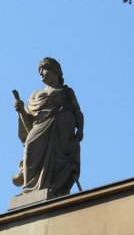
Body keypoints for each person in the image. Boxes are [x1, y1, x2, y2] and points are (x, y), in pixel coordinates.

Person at [12, 57, 83, 196]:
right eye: (40, 71)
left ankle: (54, 187)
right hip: (40, 126)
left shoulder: (67, 92)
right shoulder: (35, 94)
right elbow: (29, 124)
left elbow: (77, 112)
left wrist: (80, 129)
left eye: (44, 70)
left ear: (55, 71)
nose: (41, 74)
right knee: (30, 146)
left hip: (62, 132)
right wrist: (20, 110)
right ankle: (30, 188)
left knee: (58, 161)